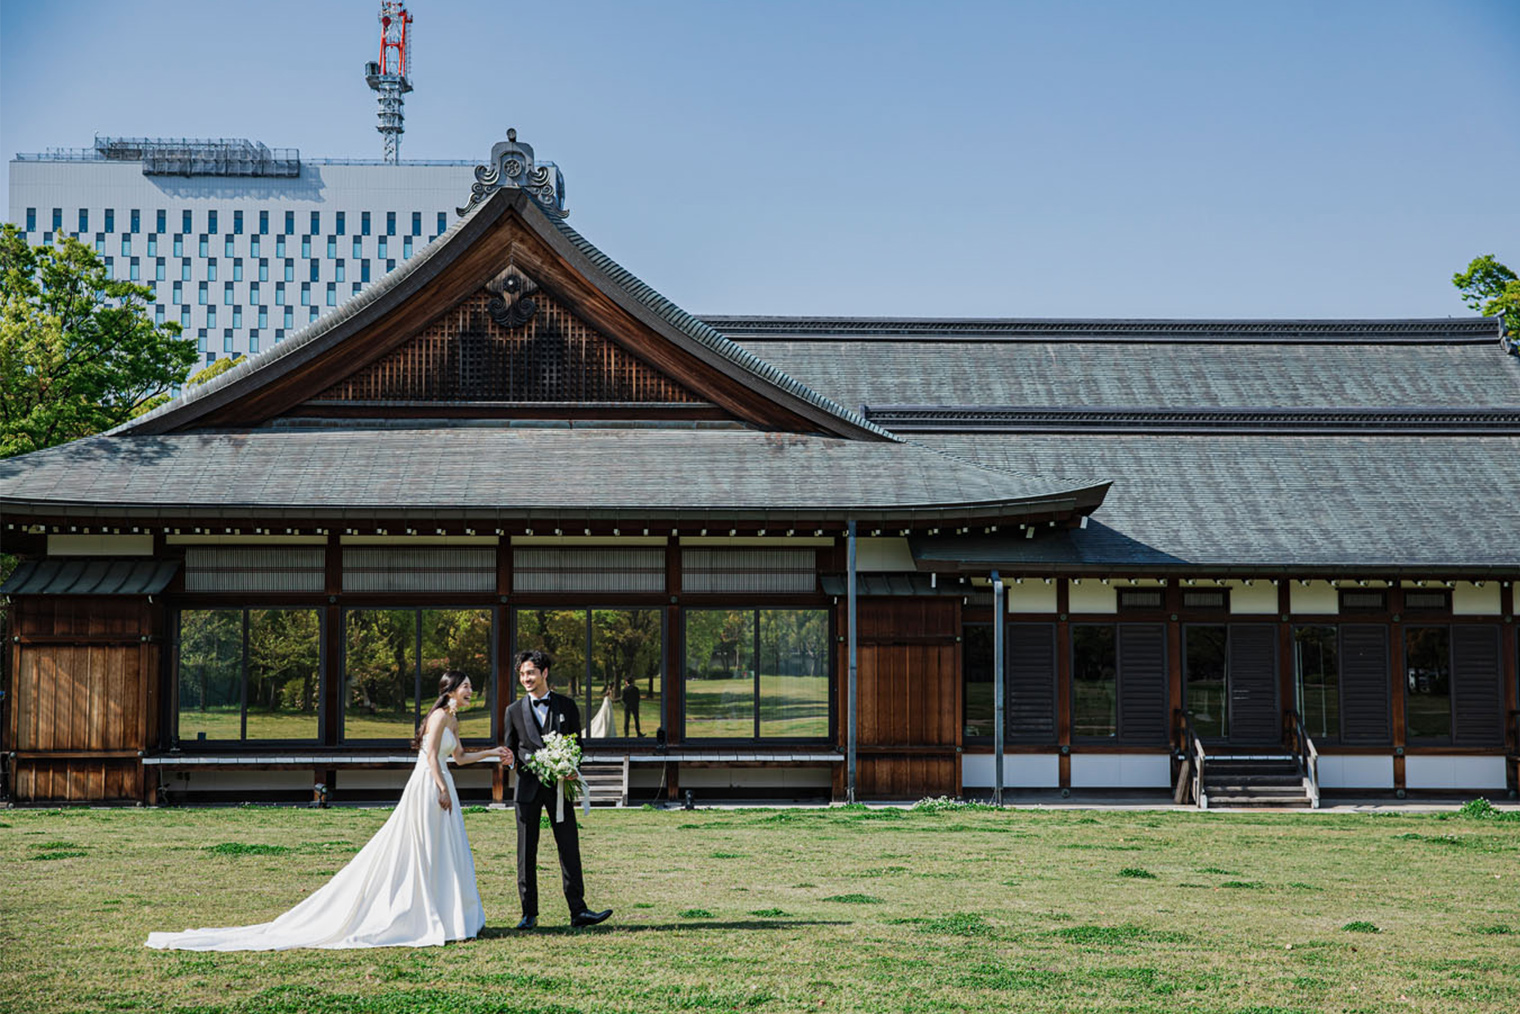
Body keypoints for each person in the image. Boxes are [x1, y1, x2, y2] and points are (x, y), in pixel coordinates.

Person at [146, 670, 509, 950]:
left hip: (442, 782)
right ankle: (426, 914)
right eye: (467, 686)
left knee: (446, 851)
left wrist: (494, 752)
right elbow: (430, 756)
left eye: (471, 687)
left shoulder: (454, 718)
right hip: (429, 787)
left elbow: (457, 757)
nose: (471, 691)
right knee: (423, 849)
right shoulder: (438, 718)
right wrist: (441, 788)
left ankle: (450, 916)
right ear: (450, 690)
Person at [505, 649, 612, 930]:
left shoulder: (566, 706)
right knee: (526, 851)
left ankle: (579, 911)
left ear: (544, 673)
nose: (526, 678)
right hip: (527, 790)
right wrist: (511, 761)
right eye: (522, 674)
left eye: (531, 672)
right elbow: (511, 751)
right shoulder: (513, 711)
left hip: (560, 789)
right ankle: (529, 913)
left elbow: (577, 746)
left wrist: (571, 765)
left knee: (569, 847)